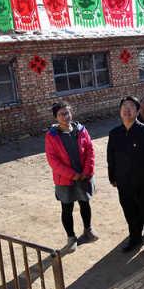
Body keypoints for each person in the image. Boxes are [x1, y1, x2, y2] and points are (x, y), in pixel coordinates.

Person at [107, 96, 144, 255]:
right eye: (124, 106)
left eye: (131, 107)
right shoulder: (115, 133)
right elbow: (111, 157)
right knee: (130, 213)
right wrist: (113, 177)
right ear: (120, 111)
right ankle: (135, 238)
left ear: (137, 111)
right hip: (124, 182)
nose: (127, 110)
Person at [45, 102, 98, 252]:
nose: (65, 117)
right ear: (56, 117)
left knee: (85, 203)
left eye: (67, 113)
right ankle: (71, 238)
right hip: (65, 179)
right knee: (67, 208)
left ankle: (88, 230)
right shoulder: (52, 136)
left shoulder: (81, 130)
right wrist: (72, 174)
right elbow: (53, 161)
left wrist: (87, 171)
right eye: (61, 114)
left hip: (84, 176)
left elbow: (90, 150)